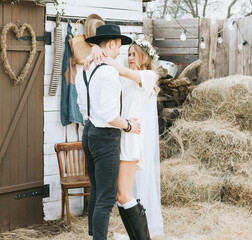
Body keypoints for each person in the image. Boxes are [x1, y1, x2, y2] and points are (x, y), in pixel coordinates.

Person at [85, 37, 163, 239]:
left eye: (133, 54)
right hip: (116, 136)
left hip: (130, 139)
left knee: (123, 194)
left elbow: (123, 71)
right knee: (118, 196)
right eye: (128, 53)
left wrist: (99, 52)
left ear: (144, 57)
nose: (129, 57)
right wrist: (95, 50)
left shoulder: (147, 76)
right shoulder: (121, 76)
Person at [76, 24, 141, 240]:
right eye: (119, 48)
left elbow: (83, 107)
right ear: (112, 44)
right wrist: (129, 126)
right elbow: (110, 115)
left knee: (96, 191)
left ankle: (94, 235)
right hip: (105, 137)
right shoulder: (109, 73)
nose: (119, 53)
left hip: (88, 133)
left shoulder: (83, 71)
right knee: (106, 198)